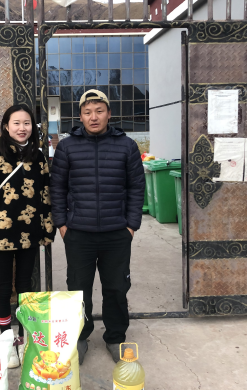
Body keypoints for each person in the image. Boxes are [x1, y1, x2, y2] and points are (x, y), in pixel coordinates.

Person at [50, 89, 145, 364]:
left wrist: (131, 226)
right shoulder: (67, 147)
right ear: (80, 116)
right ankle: (80, 337)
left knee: (116, 288)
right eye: (88, 112)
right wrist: (62, 225)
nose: (94, 117)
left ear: (109, 114)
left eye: (99, 111)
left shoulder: (126, 145)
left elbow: (136, 187)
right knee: (78, 288)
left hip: (117, 233)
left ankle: (115, 337)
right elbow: (57, 188)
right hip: (78, 233)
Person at [0, 104, 55, 368]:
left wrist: (47, 228)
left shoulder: (38, 156)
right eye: (16, 123)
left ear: (33, 127)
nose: (22, 128)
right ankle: (7, 341)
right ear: (6, 126)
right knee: (4, 287)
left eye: (27, 123)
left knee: (26, 287)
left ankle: (24, 337)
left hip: (29, 232)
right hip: (1, 233)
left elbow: (45, 195)